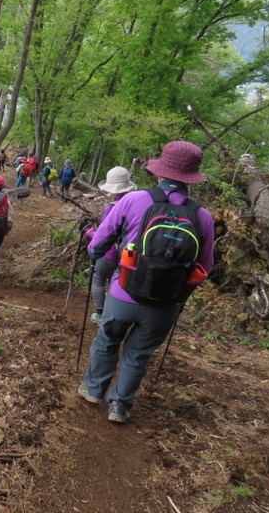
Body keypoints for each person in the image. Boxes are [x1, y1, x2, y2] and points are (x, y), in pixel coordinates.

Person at [77, 141, 215, 424]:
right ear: (192, 177)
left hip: (124, 292)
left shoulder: (133, 200)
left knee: (107, 339)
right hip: (166, 302)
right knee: (139, 353)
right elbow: (206, 266)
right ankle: (119, 406)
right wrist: (180, 296)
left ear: (160, 172)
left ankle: (93, 390)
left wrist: (93, 254)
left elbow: (100, 242)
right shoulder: (203, 217)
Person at [81, 167, 137, 323]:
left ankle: (100, 315)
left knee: (98, 279)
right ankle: (112, 311)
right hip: (128, 255)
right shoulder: (137, 206)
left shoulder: (113, 207)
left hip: (109, 253)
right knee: (114, 281)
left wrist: (88, 231)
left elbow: (103, 236)